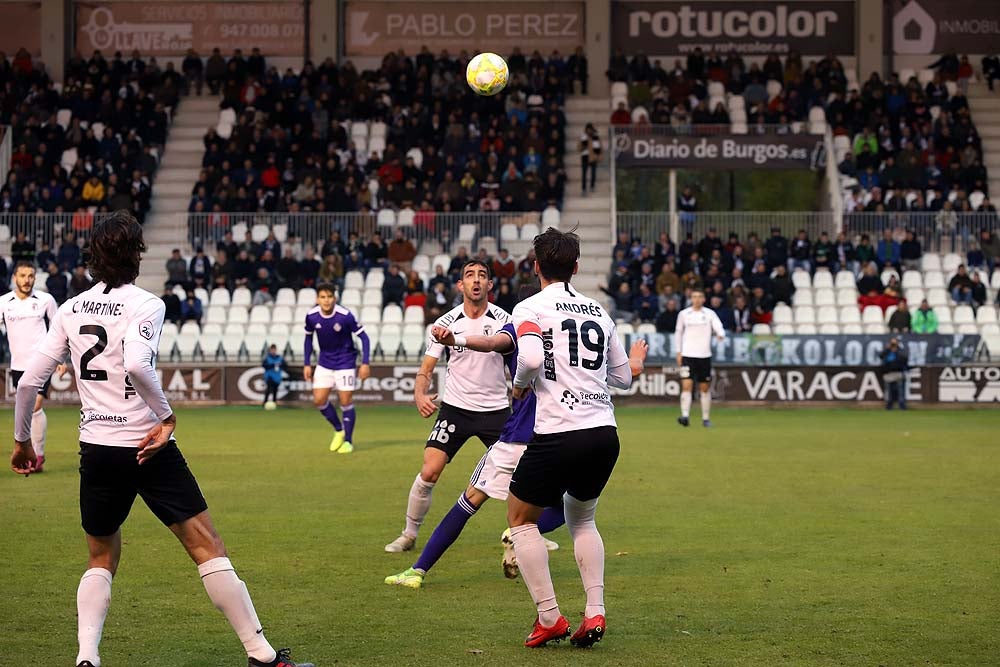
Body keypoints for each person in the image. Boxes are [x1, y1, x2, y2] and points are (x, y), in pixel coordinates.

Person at [8, 212, 312, 667]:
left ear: (93, 255)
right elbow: (135, 364)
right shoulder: (147, 304)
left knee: (100, 556)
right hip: (148, 444)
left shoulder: (70, 309)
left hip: (96, 449)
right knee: (206, 545)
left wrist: (22, 441)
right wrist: (167, 416)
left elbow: (30, 382)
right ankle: (262, 656)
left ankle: (86, 658)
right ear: (136, 255)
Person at [384, 286, 636, 590]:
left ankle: (418, 570)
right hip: (552, 437)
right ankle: (521, 535)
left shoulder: (523, 322)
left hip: (514, 437)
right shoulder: (568, 332)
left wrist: (458, 340)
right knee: (569, 509)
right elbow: (622, 374)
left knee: (467, 503)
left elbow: (491, 343)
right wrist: (636, 360)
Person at [505, 227, 640, 648]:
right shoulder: (599, 311)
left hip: (560, 432)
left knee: (520, 520)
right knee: (582, 518)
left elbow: (527, 357)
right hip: (604, 431)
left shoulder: (529, 306)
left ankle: (550, 617)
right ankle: (595, 611)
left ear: (535, 266)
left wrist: (520, 385)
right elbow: (623, 378)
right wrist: (636, 359)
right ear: (576, 267)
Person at [384, 260, 512, 554]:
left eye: (482, 276)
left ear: (490, 285)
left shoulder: (505, 320)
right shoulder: (446, 322)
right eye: (470, 275)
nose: (476, 280)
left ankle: (529, 531)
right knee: (430, 471)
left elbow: (517, 364)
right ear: (460, 285)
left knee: (523, 474)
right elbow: (426, 367)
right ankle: (409, 534)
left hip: (496, 412)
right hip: (456, 409)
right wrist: (419, 393)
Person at [1, 261, 65, 472]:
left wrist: (61, 360)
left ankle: (37, 455)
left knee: (35, 406)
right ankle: (32, 452)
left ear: (35, 278)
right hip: (17, 364)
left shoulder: (46, 300)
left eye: (30, 276)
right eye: (22, 276)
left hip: (42, 362)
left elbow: (59, 331)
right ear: (14, 278)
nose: (27, 280)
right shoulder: (3, 302)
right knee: (27, 410)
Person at [302, 283, 371, 454]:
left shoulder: (345, 316)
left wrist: (365, 363)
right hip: (324, 361)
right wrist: (306, 363)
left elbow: (364, 338)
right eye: (323, 297)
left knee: (345, 401)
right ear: (317, 299)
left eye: (329, 297)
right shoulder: (311, 317)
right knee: (319, 400)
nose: (326, 301)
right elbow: (308, 340)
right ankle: (339, 429)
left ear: (335, 298)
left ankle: (348, 440)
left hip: (345, 361)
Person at [675, 287, 726, 427]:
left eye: (700, 296)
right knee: (687, 384)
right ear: (691, 299)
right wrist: (678, 351)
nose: (697, 299)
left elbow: (718, 326)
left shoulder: (709, 314)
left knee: (704, 387)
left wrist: (721, 334)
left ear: (704, 299)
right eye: (694, 296)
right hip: (687, 355)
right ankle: (685, 416)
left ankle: (705, 418)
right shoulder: (684, 314)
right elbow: (678, 333)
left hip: (704, 355)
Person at [880, 338, 909, 410]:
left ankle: (902, 405)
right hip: (888, 373)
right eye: (892, 343)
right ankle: (889, 405)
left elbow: (905, 359)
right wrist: (887, 349)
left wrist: (897, 350)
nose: (893, 345)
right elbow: (880, 356)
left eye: (894, 343)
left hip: (898, 373)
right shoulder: (887, 352)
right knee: (888, 391)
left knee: (900, 391)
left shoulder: (900, 351)